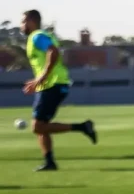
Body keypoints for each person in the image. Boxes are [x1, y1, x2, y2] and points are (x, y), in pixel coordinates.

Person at [19, 10, 96, 170]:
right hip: (48, 85)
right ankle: (49, 162)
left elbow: (53, 51)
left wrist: (42, 77)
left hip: (53, 84)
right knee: (41, 125)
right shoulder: (40, 36)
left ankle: (82, 127)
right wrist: (38, 81)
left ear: (32, 21)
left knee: (38, 126)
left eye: (24, 21)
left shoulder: (37, 36)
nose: (22, 25)